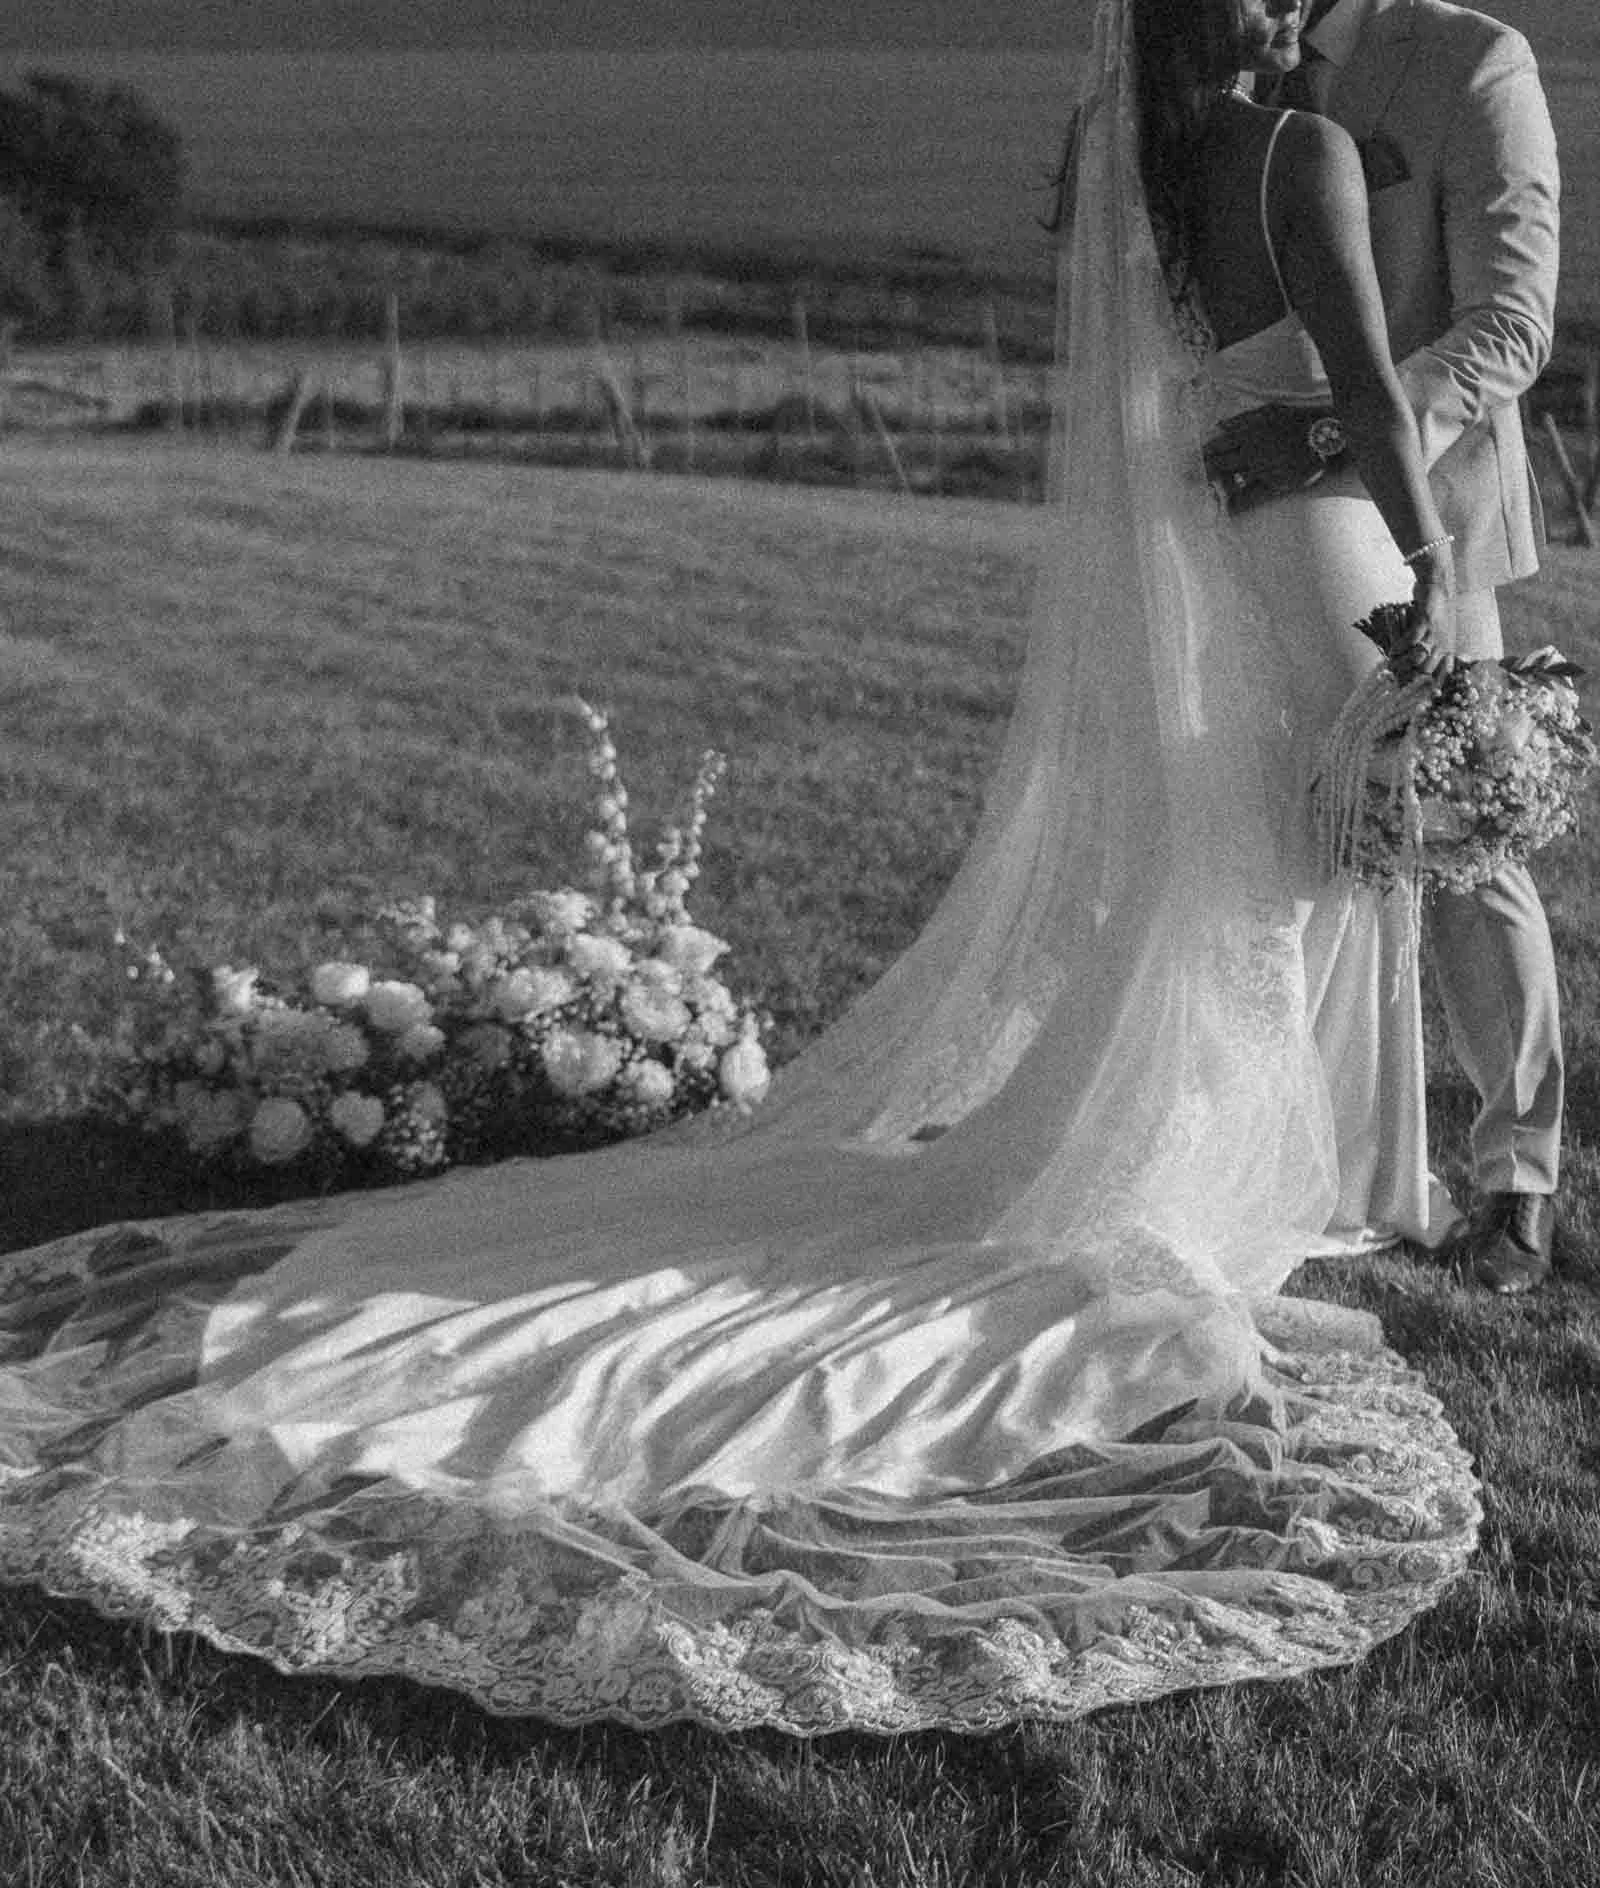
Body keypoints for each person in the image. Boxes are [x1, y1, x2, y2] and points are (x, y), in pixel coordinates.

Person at [0, 0, 1481, 1735]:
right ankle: (1209, 1196)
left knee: (1246, 880)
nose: (1297, 0)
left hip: (1236, 545)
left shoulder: (1149, 159)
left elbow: (1206, 386)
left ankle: (1220, 1176)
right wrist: (1442, 561)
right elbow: (1369, 386)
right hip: (1330, 548)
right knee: (1283, 882)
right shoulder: (1297, 150)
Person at [1204, 0, 1564, 1294]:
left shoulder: (1477, 63)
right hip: (1258, 526)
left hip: (1434, 524)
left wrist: (1335, 434)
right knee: (1285, 828)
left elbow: (1514, 326)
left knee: (1464, 841)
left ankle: (1516, 1177)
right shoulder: (1233, 54)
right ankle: (1303, 1141)